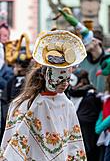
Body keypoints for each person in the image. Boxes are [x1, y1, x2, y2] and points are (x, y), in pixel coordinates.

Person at [0, 30, 87, 161]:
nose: (65, 84)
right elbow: (15, 146)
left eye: (68, 80)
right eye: (60, 79)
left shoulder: (67, 104)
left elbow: (73, 144)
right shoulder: (28, 103)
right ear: (47, 75)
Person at [65, 68, 102, 161]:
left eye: (73, 80)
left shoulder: (90, 96)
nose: (70, 84)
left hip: (86, 137)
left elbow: (87, 119)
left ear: (82, 82)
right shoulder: (69, 94)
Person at [0, 46, 31, 144]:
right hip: (10, 116)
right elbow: (4, 100)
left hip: (24, 116)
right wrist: (8, 115)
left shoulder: (30, 81)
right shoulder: (11, 81)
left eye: (18, 65)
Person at [95, 53, 110, 161]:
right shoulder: (107, 88)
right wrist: (99, 123)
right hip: (107, 134)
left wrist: (101, 126)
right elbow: (104, 108)